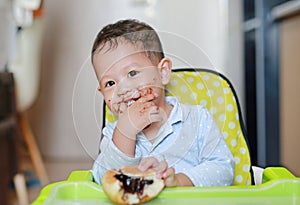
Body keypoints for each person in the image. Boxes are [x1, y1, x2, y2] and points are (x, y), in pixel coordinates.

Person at [91, 19, 234, 187]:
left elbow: (223, 170)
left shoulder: (197, 119)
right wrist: (125, 132)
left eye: (132, 73)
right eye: (110, 83)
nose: (122, 89)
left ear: (163, 72)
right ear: (101, 92)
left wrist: (178, 181)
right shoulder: (113, 134)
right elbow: (103, 181)